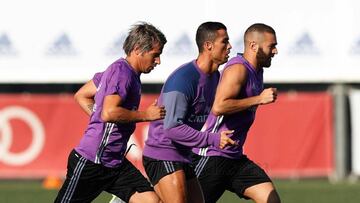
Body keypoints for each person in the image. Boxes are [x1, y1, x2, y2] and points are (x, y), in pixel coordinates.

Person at [55, 22, 167, 203]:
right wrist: (147, 114)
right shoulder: (122, 72)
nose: (158, 61)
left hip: (114, 162)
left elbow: (82, 95)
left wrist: (97, 115)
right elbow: (108, 113)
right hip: (92, 162)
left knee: (152, 201)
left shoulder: (122, 71)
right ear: (138, 49)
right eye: (155, 55)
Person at [142, 22, 236, 203]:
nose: (229, 46)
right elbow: (172, 129)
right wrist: (214, 139)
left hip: (183, 155)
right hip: (163, 152)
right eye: (225, 42)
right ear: (208, 46)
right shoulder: (184, 79)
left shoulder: (216, 78)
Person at [191, 23, 281, 203]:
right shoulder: (238, 69)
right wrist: (258, 99)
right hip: (212, 156)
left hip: (235, 157)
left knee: (271, 199)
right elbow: (219, 107)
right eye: (271, 46)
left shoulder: (257, 70)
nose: (275, 51)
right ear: (254, 46)